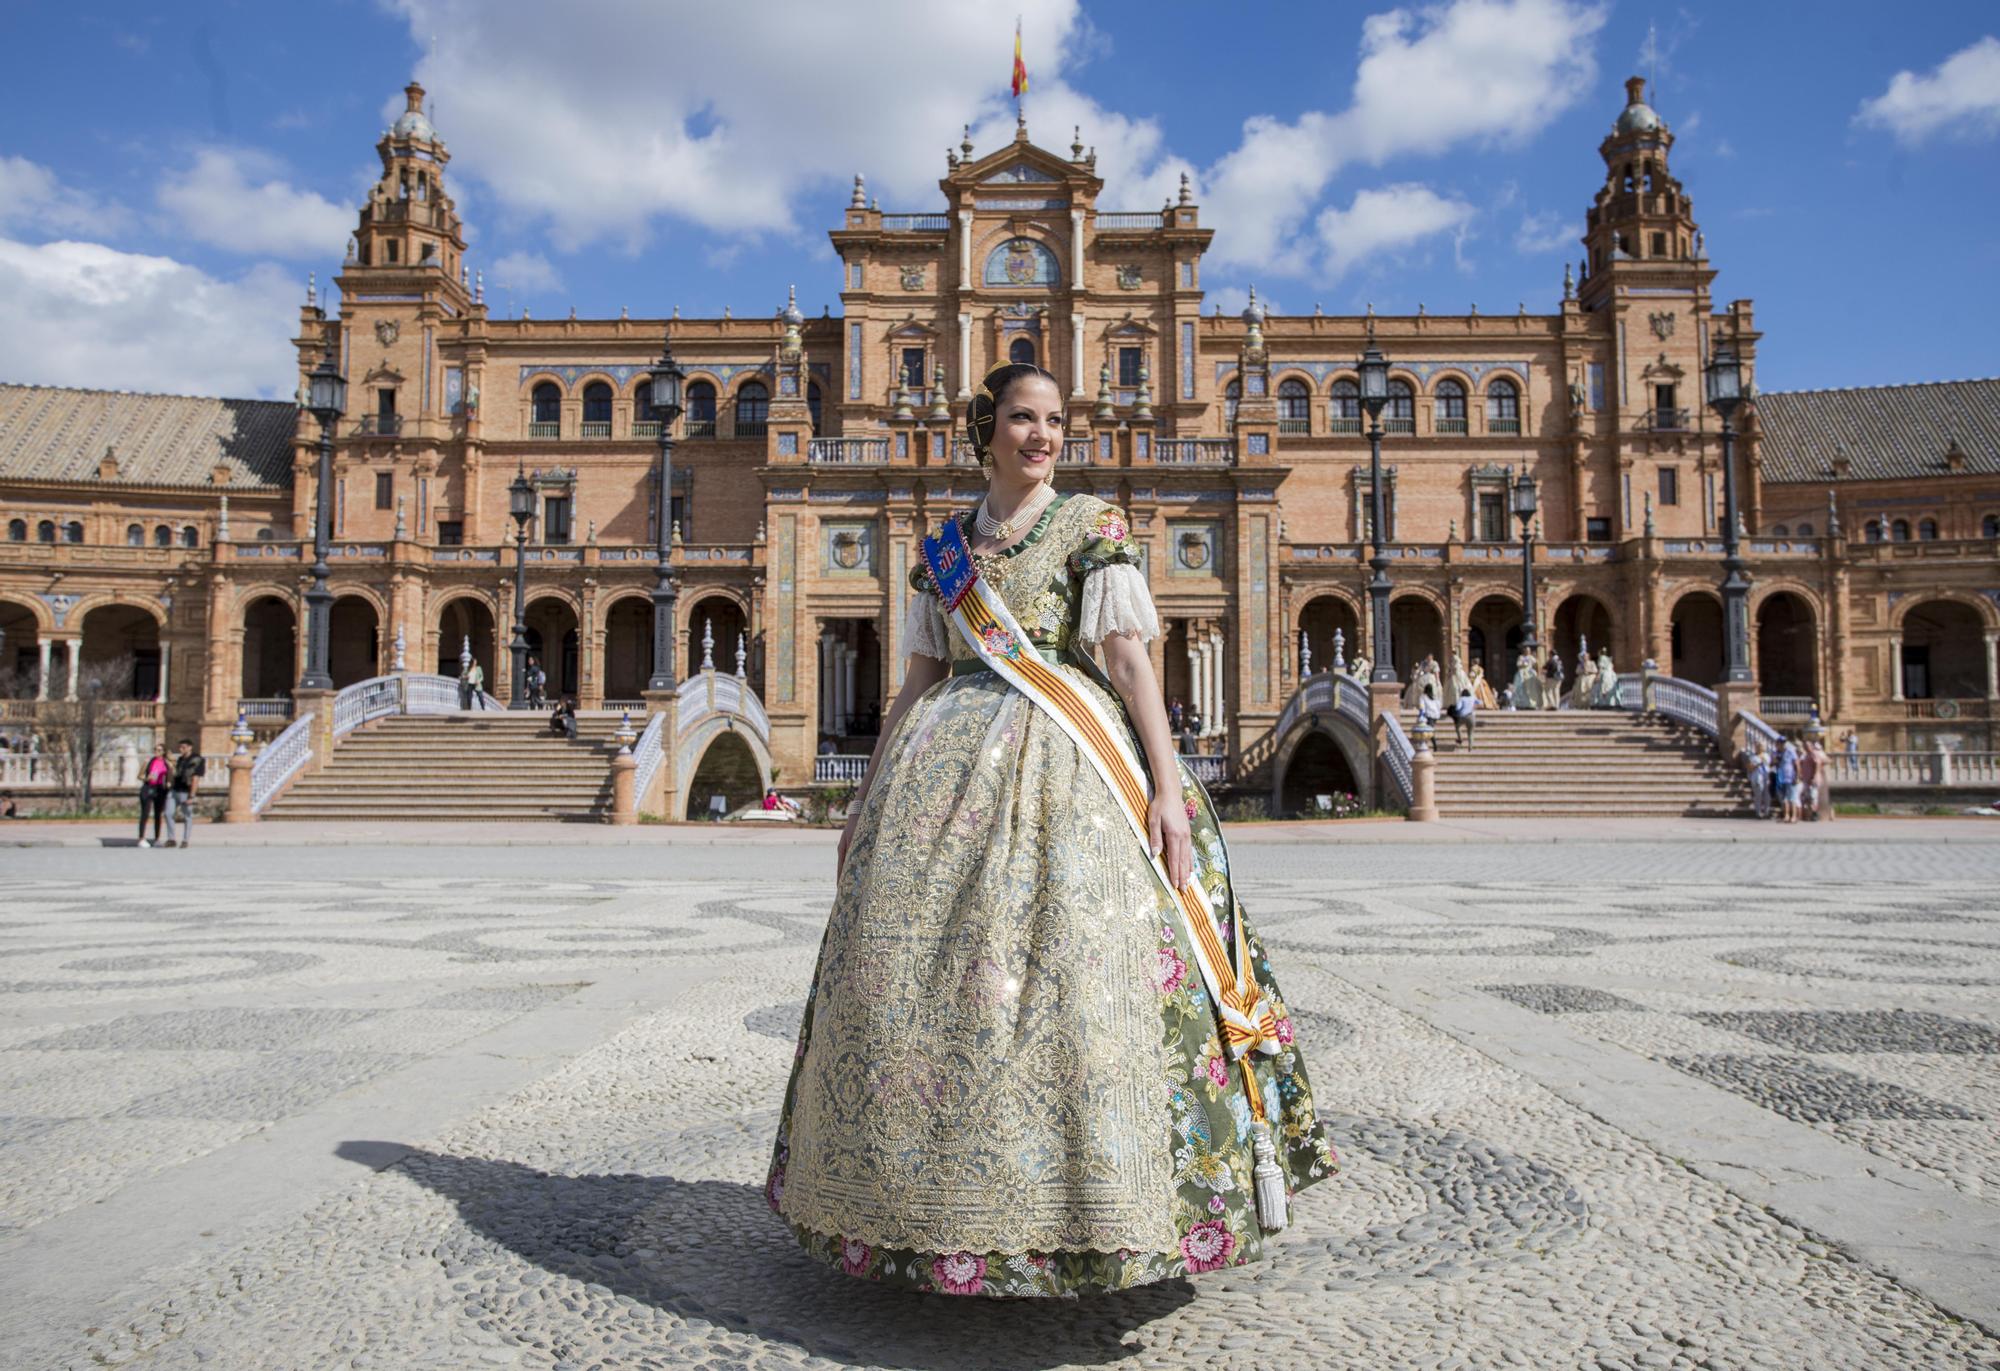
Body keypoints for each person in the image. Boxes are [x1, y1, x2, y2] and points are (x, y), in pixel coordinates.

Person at [767, 362, 1336, 1297]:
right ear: (984, 430)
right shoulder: (945, 547)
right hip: (936, 781)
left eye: (1055, 420)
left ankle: (1098, 1207)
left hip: (1073, 769)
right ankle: (912, 1209)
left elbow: (1127, 660)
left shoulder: (1090, 526)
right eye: (1023, 419)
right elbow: (912, 685)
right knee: (916, 970)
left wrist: (1166, 781)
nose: (1042, 436)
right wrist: (865, 802)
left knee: (1073, 967)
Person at [164, 739, 204, 849]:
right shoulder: (181, 759)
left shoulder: (197, 760)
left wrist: (192, 796)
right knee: (168, 813)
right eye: (180, 747)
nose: (181, 749)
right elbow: (176, 774)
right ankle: (171, 839)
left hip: (186, 792)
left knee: (187, 816)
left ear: (190, 747)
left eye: (183, 747)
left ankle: (185, 840)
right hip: (174, 790)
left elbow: (195, 778)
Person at [137, 742, 171, 847]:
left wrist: (169, 783)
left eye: (159, 750)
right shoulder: (148, 761)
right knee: (145, 813)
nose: (157, 752)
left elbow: (171, 774)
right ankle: (141, 838)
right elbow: (139, 776)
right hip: (148, 788)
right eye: (155, 750)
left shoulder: (166, 763)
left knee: (158, 815)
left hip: (160, 789)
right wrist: (147, 778)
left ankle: (157, 839)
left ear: (163, 752)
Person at [1808, 736, 1835, 821]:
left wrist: (1817, 771)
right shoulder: (1817, 753)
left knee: (1815, 796)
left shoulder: (1817, 753)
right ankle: (1826, 814)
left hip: (1819, 777)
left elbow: (1826, 761)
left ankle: (1818, 814)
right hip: (1820, 776)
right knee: (1817, 796)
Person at [1774, 738, 1801, 823]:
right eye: (1779, 743)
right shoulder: (1777, 753)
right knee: (1784, 798)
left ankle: (1793, 816)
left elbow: (1797, 764)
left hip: (1790, 777)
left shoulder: (1790, 752)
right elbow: (1773, 763)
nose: (1781, 745)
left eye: (1782, 743)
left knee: (1792, 798)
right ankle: (1786, 815)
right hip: (1781, 778)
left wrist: (1797, 777)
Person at [1746, 743, 1772, 819]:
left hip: (1765, 777)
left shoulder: (1766, 756)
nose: (1760, 748)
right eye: (1758, 747)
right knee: (1758, 795)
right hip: (1757, 777)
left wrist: (1763, 759)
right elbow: (1749, 768)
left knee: (1767, 795)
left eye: (1761, 747)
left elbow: (1769, 765)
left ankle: (1767, 811)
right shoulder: (1752, 757)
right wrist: (1757, 764)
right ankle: (1758, 812)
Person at [1797, 736, 1820, 822]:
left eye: (1808, 745)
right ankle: (1808, 814)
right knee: (1806, 797)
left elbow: (1817, 765)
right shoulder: (1806, 755)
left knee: (1813, 797)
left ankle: (1814, 814)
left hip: (1812, 779)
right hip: (1806, 779)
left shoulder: (1814, 754)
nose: (1806, 747)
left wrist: (1814, 776)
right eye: (1805, 746)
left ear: (1812, 746)